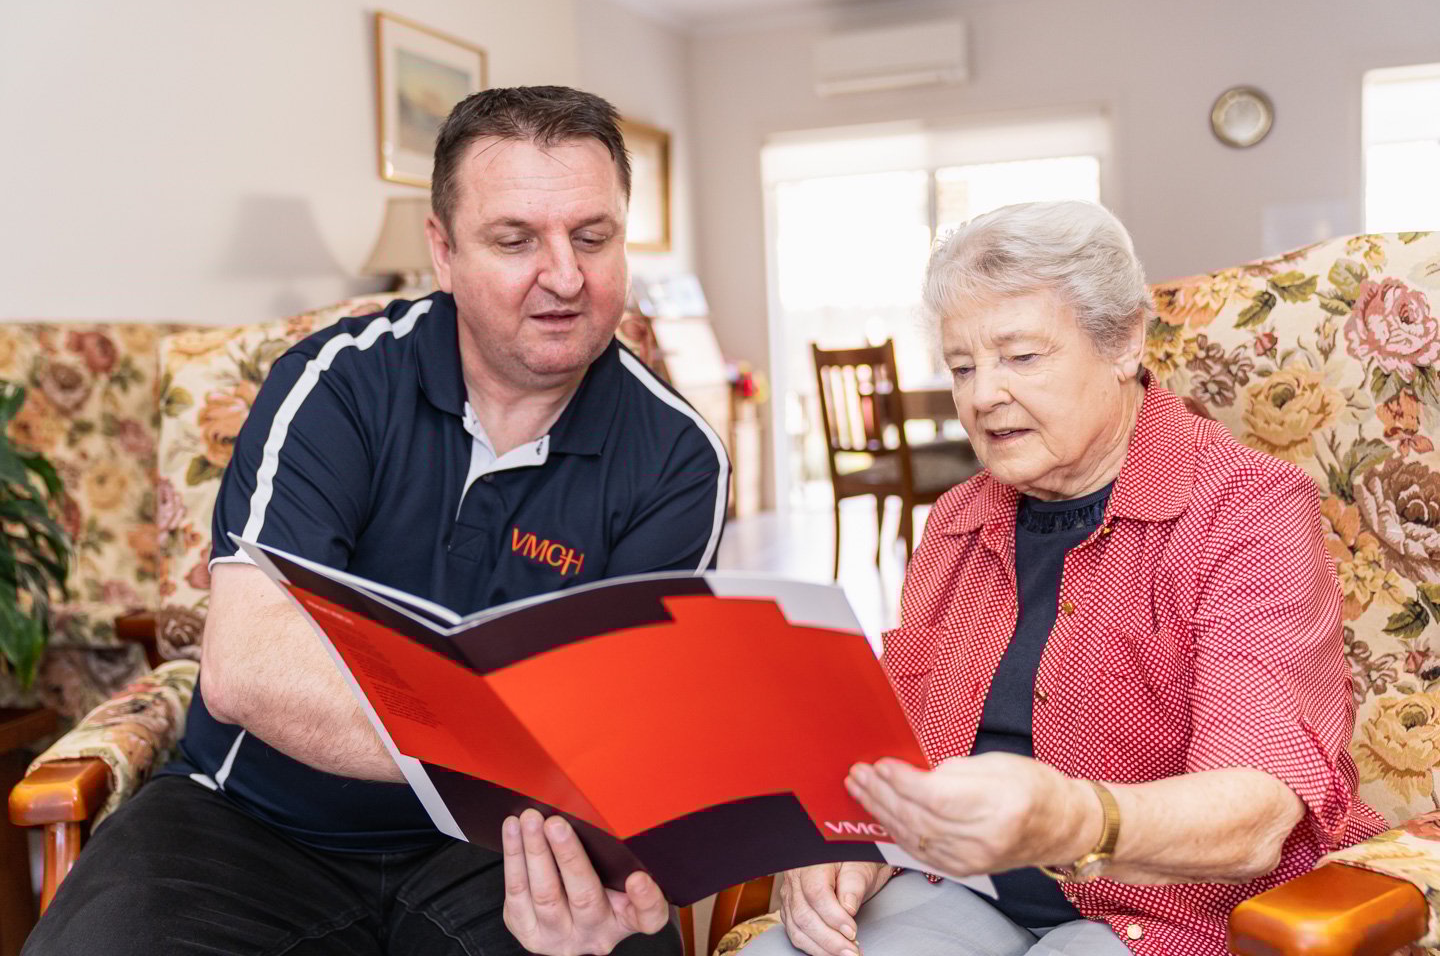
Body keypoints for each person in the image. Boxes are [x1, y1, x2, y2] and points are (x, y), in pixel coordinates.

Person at [25, 86, 727, 956]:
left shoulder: (679, 455)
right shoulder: (335, 385)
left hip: (507, 847)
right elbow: (247, 673)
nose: (566, 276)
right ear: (442, 250)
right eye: (515, 240)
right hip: (257, 820)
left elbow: (619, 725)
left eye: (594, 236)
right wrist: (530, 735)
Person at [745, 201, 1386, 956]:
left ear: (1123, 342)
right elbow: (901, 750)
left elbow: (1256, 814)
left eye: (1021, 356)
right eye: (962, 366)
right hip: (960, 890)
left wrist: (1075, 820)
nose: (982, 396)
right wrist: (849, 847)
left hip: (1174, 912)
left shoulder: (1246, 509)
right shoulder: (954, 520)